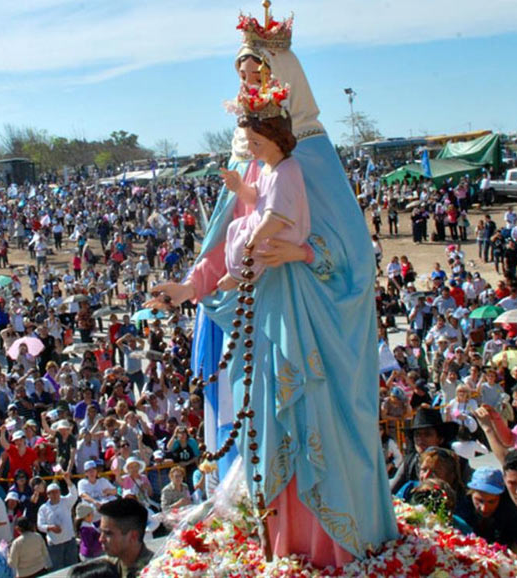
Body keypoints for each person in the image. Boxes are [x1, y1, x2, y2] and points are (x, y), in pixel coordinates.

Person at [148, 12, 398, 566]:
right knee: (270, 428)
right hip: (268, 319)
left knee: (319, 429)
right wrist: (188, 287)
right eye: (243, 79)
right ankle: (285, 547)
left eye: (258, 76)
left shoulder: (310, 155)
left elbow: (354, 256)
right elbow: (224, 242)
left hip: (316, 326)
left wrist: (305, 253)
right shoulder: (252, 162)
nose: (248, 89)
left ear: (283, 77)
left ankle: (338, 547)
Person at [215, 70, 308, 293]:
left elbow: (276, 218)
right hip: (263, 224)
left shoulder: (285, 172)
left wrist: (255, 239)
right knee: (236, 227)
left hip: (279, 233)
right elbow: (256, 197)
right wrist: (239, 187)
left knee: (245, 237)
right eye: (249, 143)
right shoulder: (268, 168)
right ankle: (235, 271)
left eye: (256, 143)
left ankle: (240, 274)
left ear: (277, 141)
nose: (250, 150)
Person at [460, 468, 517, 551]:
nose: (484, 508)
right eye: (479, 500)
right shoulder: (461, 511)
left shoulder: (513, 517)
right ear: (470, 494)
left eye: (491, 502)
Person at [96, 498, 151, 578]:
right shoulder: (107, 568)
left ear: (133, 536)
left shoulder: (156, 571)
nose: (101, 539)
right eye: (101, 532)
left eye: (108, 533)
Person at [36, 472, 78, 571]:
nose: (55, 494)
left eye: (56, 492)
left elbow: (74, 494)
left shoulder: (66, 501)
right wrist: (50, 528)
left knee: (73, 569)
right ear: (48, 495)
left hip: (69, 541)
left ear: (60, 492)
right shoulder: (43, 508)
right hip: (55, 545)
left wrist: (67, 480)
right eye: (52, 493)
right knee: (58, 570)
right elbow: (40, 525)